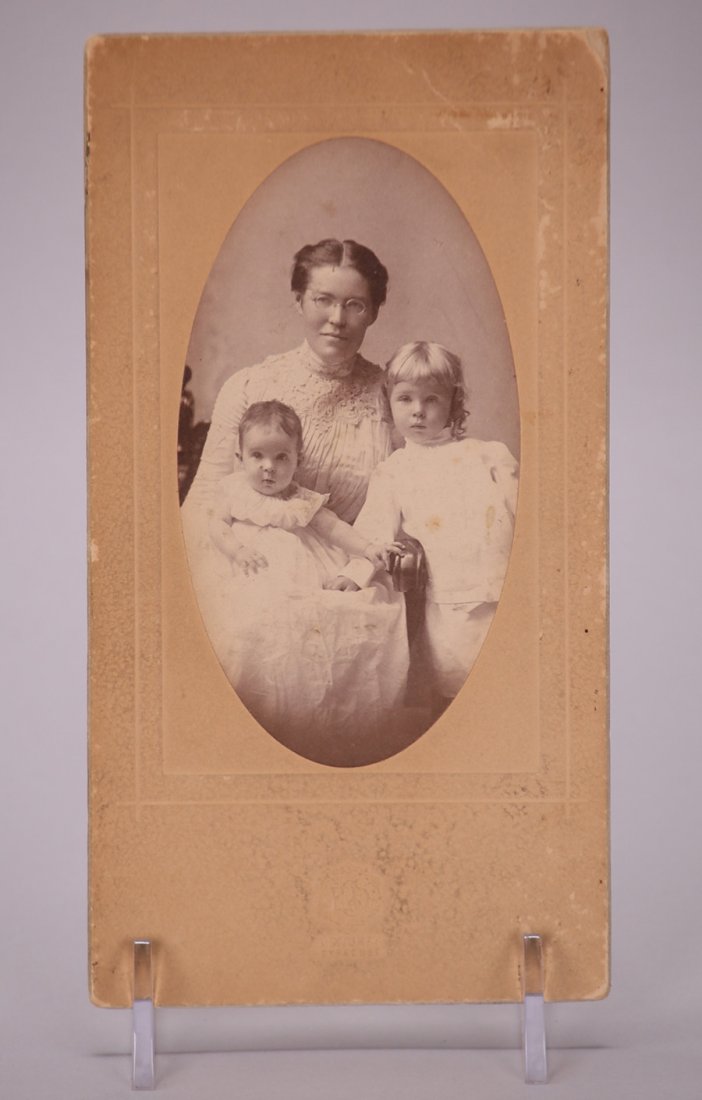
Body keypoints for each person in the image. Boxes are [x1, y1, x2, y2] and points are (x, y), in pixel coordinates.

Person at [199, 400, 409, 766]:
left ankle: (312, 721)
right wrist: (237, 550)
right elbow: (216, 525)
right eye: (257, 456)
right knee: (252, 624)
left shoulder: (302, 500)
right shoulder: (233, 491)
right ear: (240, 457)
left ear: (299, 459)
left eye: (282, 457)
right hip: (251, 568)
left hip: (304, 571)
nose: (269, 467)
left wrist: (368, 548)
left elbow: (335, 529)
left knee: (316, 623)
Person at [343, 341, 519, 714]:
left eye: (432, 399)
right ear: (389, 403)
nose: (418, 411)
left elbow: (528, 514)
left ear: (453, 403)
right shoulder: (394, 471)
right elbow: (374, 531)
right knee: (464, 687)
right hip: (453, 599)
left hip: (509, 589)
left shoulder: (488, 455)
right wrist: (355, 574)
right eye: (405, 398)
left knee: (514, 681)